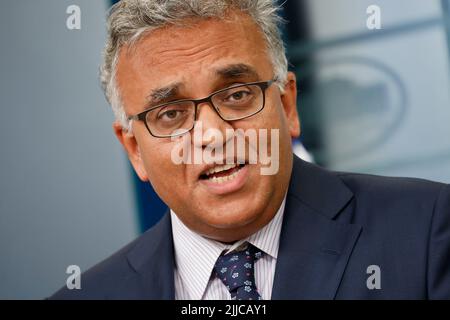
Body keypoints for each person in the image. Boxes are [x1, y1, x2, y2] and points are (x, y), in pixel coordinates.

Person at [51, 0, 450, 300]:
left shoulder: (428, 230)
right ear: (135, 149)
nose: (213, 134)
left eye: (237, 94)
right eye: (170, 114)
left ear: (288, 106)